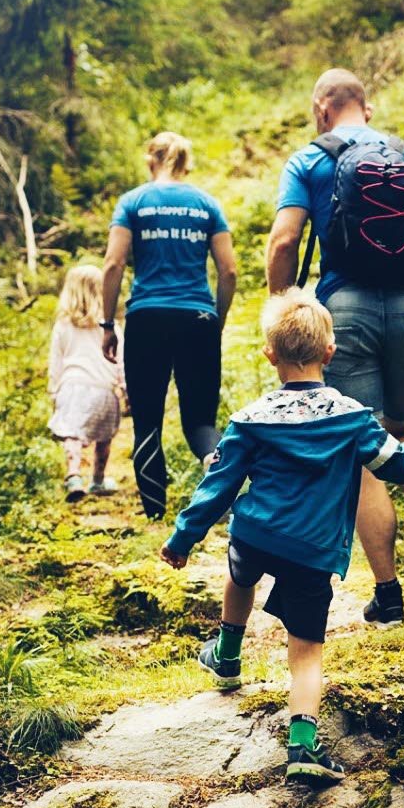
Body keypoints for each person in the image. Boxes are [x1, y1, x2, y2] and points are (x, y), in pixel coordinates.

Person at [159, 287, 404, 784]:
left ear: (270, 355)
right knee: (306, 652)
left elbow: (217, 486)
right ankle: (303, 747)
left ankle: (226, 654)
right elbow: (398, 464)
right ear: (331, 353)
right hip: (311, 549)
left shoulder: (251, 418)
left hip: (257, 533)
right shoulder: (352, 417)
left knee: (239, 573)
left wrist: (183, 538)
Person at [265, 69, 404, 628]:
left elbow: (284, 240)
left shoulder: (310, 160)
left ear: (320, 108)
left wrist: (282, 312)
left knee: (366, 455)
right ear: (367, 108)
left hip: (345, 313)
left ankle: (389, 597)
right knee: (401, 432)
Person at [101, 132, 239, 519]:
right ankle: (219, 484)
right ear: (185, 163)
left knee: (147, 420)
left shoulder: (133, 202)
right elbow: (228, 271)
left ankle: (154, 513)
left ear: (151, 161)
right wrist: (216, 320)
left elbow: (112, 265)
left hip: (146, 318)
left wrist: (107, 323)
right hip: (197, 317)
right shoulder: (206, 204)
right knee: (200, 422)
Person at [49, 264, 124, 502]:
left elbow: (55, 362)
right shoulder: (112, 328)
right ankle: (98, 479)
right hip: (104, 390)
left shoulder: (63, 325)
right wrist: (125, 388)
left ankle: (73, 475)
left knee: (73, 435)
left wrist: (54, 391)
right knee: (104, 438)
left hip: (71, 387)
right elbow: (122, 361)